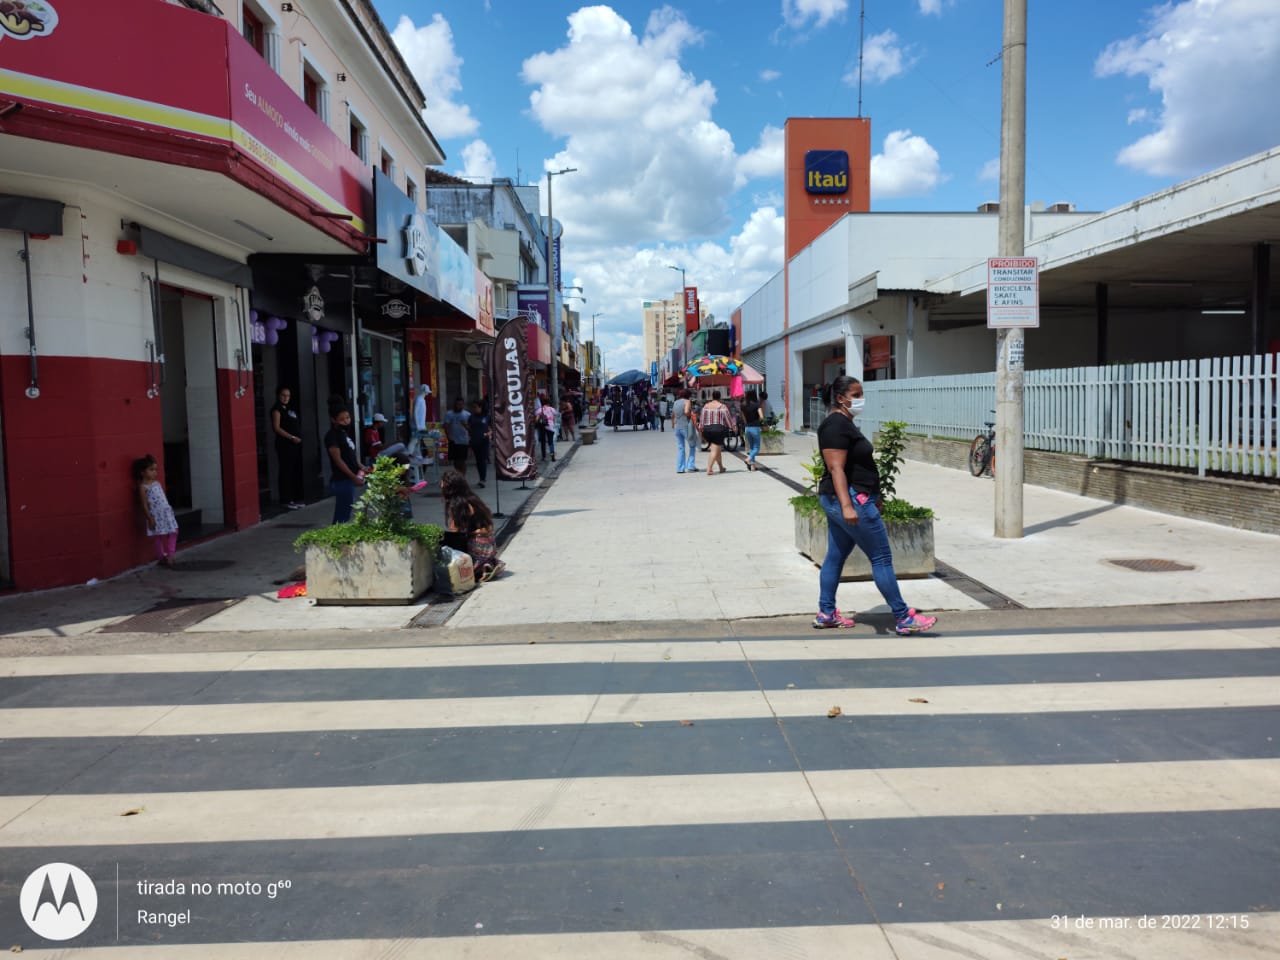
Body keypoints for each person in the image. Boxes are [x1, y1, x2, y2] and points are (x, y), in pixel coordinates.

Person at [813, 374, 938, 635]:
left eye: (861, 394)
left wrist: (876, 495)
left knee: (835, 556)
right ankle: (903, 618)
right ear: (840, 398)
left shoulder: (844, 423)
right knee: (881, 557)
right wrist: (848, 506)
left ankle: (826, 613)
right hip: (848, 499)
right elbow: (836, 468)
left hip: (848, 498)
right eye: (856, 395)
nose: (860, 400)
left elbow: (858, 465)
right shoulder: (835, 425)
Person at [441, 469, 505, 582]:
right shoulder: (472, 498)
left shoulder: (458, 503)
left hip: (477, 544)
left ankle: (480, 569)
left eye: (442, 482)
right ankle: (487, 565)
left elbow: (455, 530)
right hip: (489, 543)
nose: (441, 485)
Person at [133, 454, 179, 568]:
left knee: (173, 532)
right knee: (158, 536)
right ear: (142, 472)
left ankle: (170, 554)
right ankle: (162, 557)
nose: (155, 472)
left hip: (166, 512)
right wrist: (150, 519)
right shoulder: (143, 487)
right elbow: (144, 505)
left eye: (155, 469)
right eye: (151, 470)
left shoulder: (157, 483)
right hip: (155, 515)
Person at [324, 402, 364, 524]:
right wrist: (353, 477)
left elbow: (351, 456)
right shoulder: (332, 436)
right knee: (342, 515)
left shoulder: (344, 434)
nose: (346, 421)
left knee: (346, 512)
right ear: (333, 420)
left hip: (349, 479)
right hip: (342, 480)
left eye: (347, 418)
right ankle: (336, 540)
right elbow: (338, 460)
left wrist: (362, 467)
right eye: (342, 419)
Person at [270, 386, 304, 509]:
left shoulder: (290, 409)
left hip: (295, 444)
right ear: (278, 395)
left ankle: (295, 498)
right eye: (283, 395)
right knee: (286, 471)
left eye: (288, 395)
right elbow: (277, 428)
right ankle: (286, 499)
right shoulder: (277, 410)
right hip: (285, 444)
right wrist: (291, 437)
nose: (285, 398)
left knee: (294, 470)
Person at [698, 390, 734, 475]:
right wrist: (732, 427)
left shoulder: (706, 406)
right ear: (720, 397)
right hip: (718, 430)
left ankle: (721, 467)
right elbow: (728, 418)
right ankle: (709, 469)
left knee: (717, 448)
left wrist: (700, 429)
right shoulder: (722, 406)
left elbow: (702, 418)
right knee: (714, 449)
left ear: (712, 397)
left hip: (707, 430)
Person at [672, 388, 698, 473]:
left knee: (681, 448)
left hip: (677, 427)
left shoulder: (675, 402)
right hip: (685, 427)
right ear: (688, 395)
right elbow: (686, 411)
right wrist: (691, 414)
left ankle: (680, 468)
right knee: (692, 446)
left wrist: (673, 424)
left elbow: (673, 415)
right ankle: (690, 466)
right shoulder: (687, 402)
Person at [443, 396, 471, 475]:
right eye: (458, 404)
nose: (460, 406)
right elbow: (446, 426)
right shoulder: (449, 414)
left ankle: (462, 476)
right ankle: (459, 474)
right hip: (453, 440)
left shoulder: (467, 415)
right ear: (455, 404)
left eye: (461, 404)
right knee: (455, 461)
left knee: (462, 460)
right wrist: (448, 436)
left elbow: (471, 429)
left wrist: (465, 426)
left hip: (463, 441)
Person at [468, 400, 490, 488]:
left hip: (484, 441)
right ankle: (481, 477)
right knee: (478, 460)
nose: (474, 409)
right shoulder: (471, 417)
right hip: (474, 440)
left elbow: (492, 428)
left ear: (480, 407)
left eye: (475, 407)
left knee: (483, 460)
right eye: (473, 407)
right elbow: (469, 428)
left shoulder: (487, 417)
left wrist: (488, 434)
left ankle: (483, 479)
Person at [741, 391, 763, 472]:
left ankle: (753, 466)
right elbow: (761, 416)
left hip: (747, 428)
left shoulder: (743, 405)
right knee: (757, 447)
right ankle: (748, 459)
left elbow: (743, 417)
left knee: (752, 447)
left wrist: (747, 423)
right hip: (755, 427)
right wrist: (758, 421)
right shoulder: (757, 404)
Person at [536, 394, 558, 461]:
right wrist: (553, 425)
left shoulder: (540, 409)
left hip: (543, 427)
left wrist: (535, 423)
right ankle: (552, 456)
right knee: (550, 442)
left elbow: (537, 419)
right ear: (549, 402)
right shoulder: (552, 409)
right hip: (550, 427)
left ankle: (544, 456)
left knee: (543, 442)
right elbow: (554, 418)